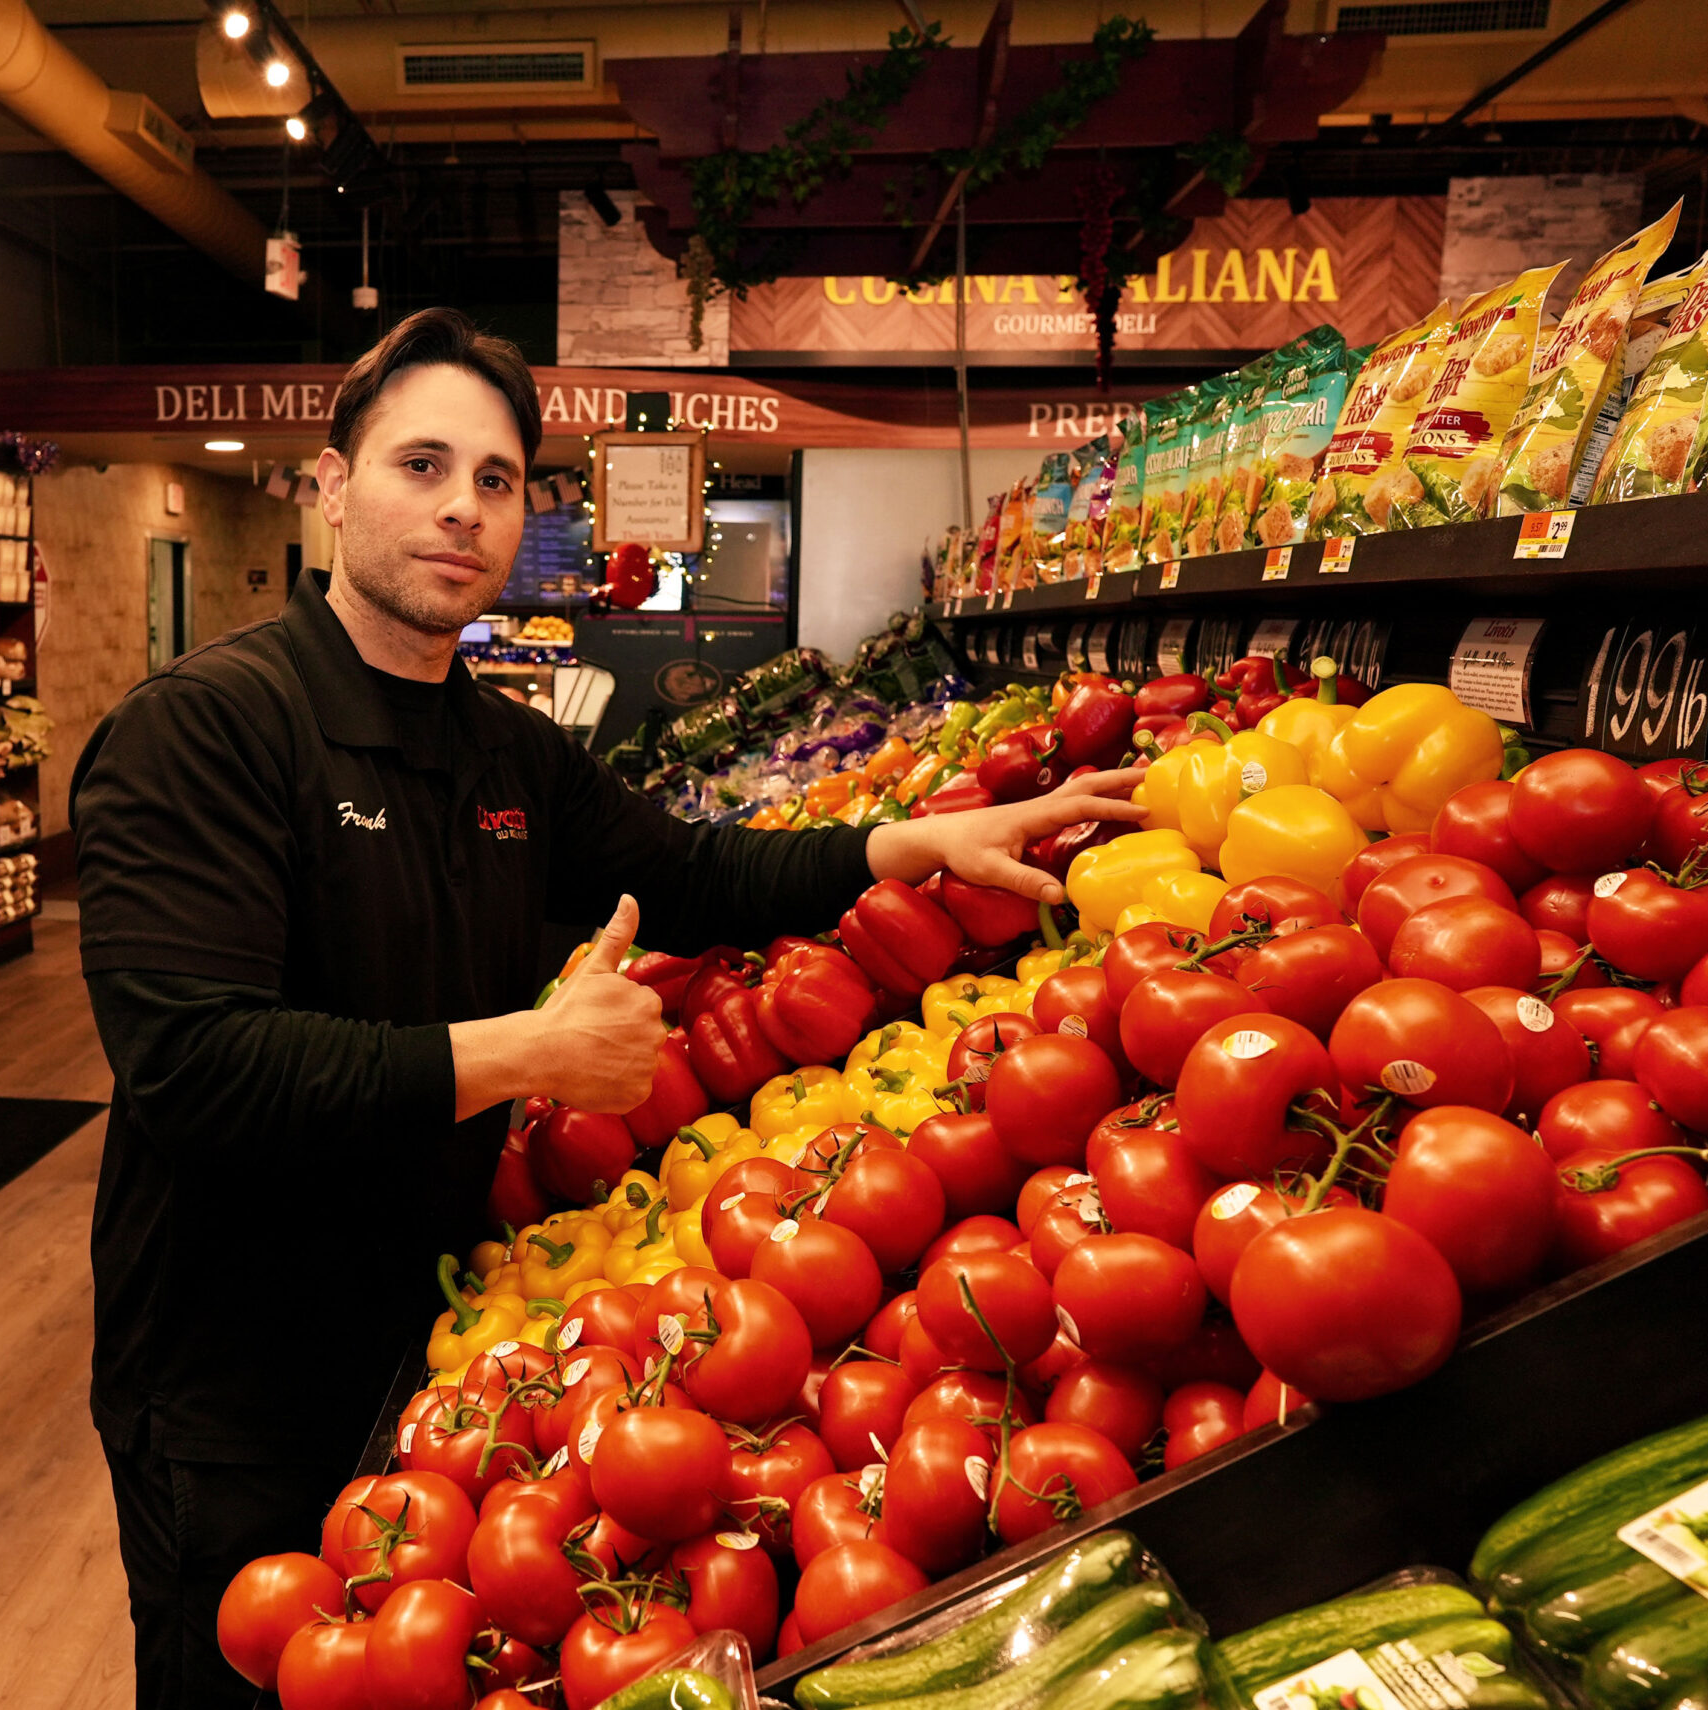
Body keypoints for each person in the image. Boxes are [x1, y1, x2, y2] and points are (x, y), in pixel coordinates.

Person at [70, 306, 1142, 1709]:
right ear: (331, 486)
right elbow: (192, 1063)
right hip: (236, 1372)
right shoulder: (202, 729)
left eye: (497, 479)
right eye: (420, 465)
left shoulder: (504, 750)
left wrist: (914, 841)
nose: (462, 507)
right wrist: (534, 1050)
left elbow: (693, 874)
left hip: (427, 1341)